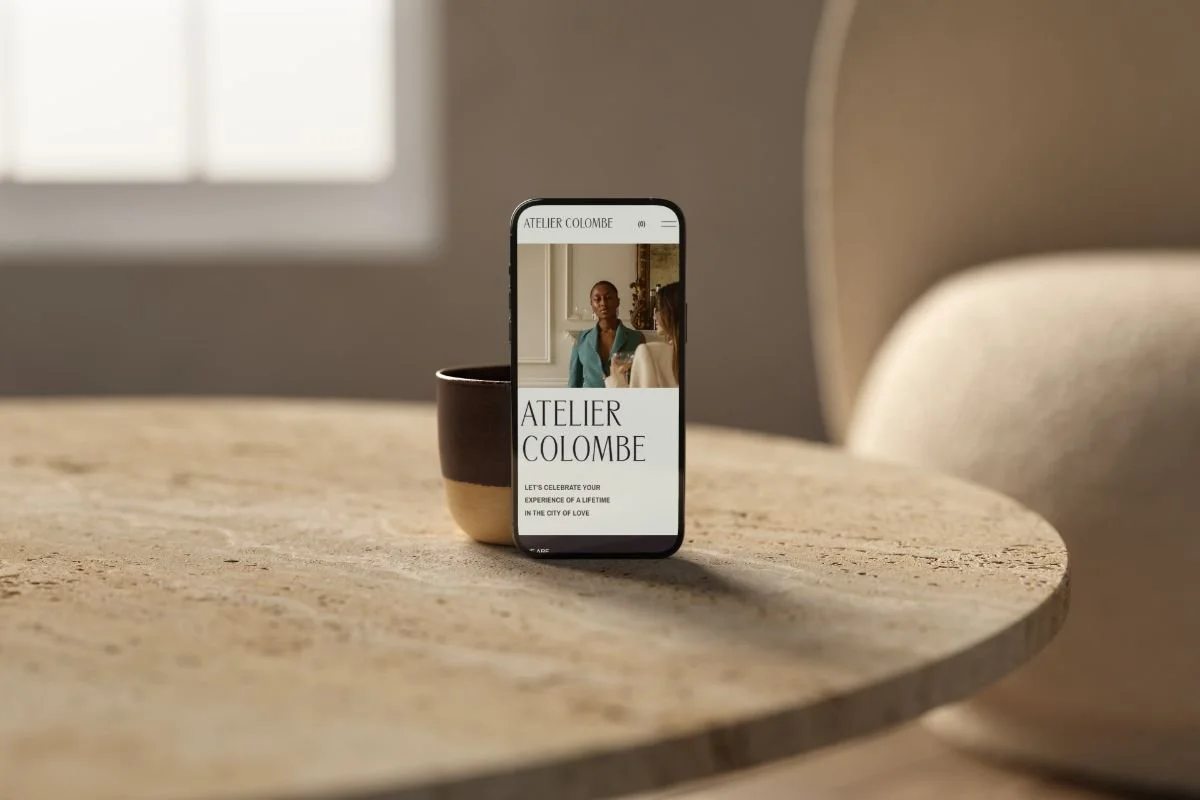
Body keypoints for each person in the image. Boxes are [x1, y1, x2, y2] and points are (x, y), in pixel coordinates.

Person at [567, 280, 645, 388]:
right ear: (591, 304)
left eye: (608, 298)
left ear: (617, 301)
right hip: (590, 403)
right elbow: (574, 383)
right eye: (597, 299)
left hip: (623, 402)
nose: (603, 303)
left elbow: (642, 380)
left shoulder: (636, 338)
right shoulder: (581, 339)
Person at [607, 281, 681, 389]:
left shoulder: (649, 352)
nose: (655, 316)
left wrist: (617, 381)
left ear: (673, 312)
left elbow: (640, 404)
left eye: (659, 309)